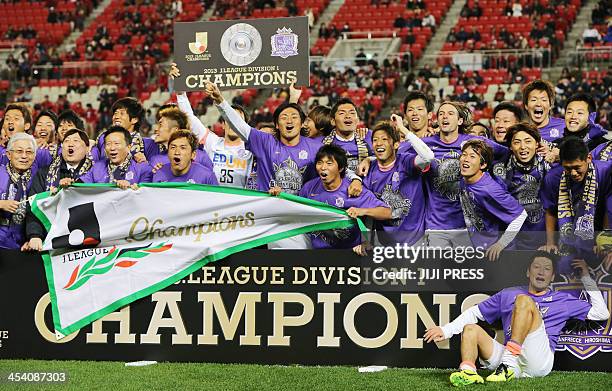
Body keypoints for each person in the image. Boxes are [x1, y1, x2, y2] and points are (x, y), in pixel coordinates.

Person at [206, 81, 363, 249]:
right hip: (271, 217)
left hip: (301, 216)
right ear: (276, 125)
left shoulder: (315, 147)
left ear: (302, 123)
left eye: (294, 117)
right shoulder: (265, 142)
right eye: (284, 117)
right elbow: (240, 126)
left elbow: (337, 166)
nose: (289, 120)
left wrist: (355, 179)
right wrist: (221, 101)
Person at [424, 251, 609, 384]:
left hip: (536, 361)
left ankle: (508, 364)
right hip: (508, 356)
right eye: (536, 267)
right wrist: (446, 330)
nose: (541, 272)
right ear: (528, 272)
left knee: (523, 301)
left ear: (552, 277)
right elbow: (475, 312)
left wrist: (586, 277)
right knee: (470, 329)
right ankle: (468, 372)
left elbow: (602, 314)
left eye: (546, 269)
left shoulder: (562, 300)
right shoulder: (508, 294)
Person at [421, 101, 507, 247]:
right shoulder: (426, 143)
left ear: (460, 120)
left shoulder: (474, 142)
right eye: (441, 114)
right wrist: (369, 160)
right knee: (433, 270)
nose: (444, 117)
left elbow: (505, 152)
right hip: (436, 225)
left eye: (450, 113)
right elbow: (395, 153)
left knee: (464, 270)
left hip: (466, 226)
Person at [299, 144, 391, 255]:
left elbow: (387, 212)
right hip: (318, 253)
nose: (323, 167)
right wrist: (278, 195)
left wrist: (362, 211)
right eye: (319, 163)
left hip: (350, 253)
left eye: (329, 163)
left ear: (341, 168)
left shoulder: (354, 190)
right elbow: (295, 211)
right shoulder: (309, 188)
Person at [541, 137, 612, 272]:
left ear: (589, 158)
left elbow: (609, 208)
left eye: (577, 167)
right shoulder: (552, 177)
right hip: (568, 238)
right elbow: (550, 210)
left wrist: (604, 240)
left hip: (597, 233)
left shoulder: (605, 171)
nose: (573, 173)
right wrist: (550, 242)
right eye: (567, 168)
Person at [362, 117, 433, 246]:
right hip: (384, 243)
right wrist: (365, 239)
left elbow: (428, 157)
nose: (379, 143)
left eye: (384, 139)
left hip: (415, 241)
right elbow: (368, 211)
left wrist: (402, 129)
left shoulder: (406, 162)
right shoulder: (368, 171)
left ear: (396, 144)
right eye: (375, 140)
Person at [22, 129, 93, 251]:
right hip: (50, 240)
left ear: (87, 148)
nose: (70, 144)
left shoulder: (96, 173)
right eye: (66, 141)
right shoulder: (45, 173)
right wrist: (35, 235)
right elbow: (34, 205)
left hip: (87, 242)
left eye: (76, 141)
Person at [458, 139, 527, 259]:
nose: (466, 159)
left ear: (483, 165)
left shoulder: (489, 189)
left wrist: (501, 244)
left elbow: (521, 215)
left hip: (497, 253)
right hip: (479, 248)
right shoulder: (465, 178)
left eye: (472, 156)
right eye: (464, 155)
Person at [492, 123, 552, 249]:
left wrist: (552, 242)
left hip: (543, 241)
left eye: (528, 141)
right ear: (510, 147)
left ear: (537, 144)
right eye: (517, 142)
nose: (523, 147)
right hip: (510, 241)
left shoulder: (550, 168)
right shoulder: (499, 170)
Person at [80, 126, 153, 188]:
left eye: (117, 143)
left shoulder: (143, 168)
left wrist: (130, 188)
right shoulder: (97, 167)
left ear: (129, 147)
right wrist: (70, 182)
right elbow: (80, 185)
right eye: (108, 144)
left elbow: (146, 194)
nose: (112, 148)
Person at [0, 133, 37, 249]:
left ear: (35, 156)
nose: (24, 156)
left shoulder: (39, 178)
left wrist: (32, 237)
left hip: (23, 247)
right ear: (9, 154)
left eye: (29, 152)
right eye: (19, 151)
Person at [149, 106, 214, 170]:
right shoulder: (156, 161)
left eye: (160, 125)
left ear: (175, 130)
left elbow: (210, 178)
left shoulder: (200, 157)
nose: (156, 129)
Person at [94, 97, 157, 162]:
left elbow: (155, 169)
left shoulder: (148, 145)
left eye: (122, 113)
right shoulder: (102, 139)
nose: (116, 117)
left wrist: (144, 163)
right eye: (115, 113)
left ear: (134, 119)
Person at [323, 98, 374, 172]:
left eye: (352, 113)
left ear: (358, 120)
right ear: (333, 121)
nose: (348, 116)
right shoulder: (322, 143)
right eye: (342, 113)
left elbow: (389, 156)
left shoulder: (369, 137)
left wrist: (369, 159)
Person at [152, 130, 218, 185]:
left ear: (193, 155)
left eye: (183, 148)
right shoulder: (159, 173)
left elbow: (217, 199)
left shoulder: (207, 177)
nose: (177, 152)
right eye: (173, 147)